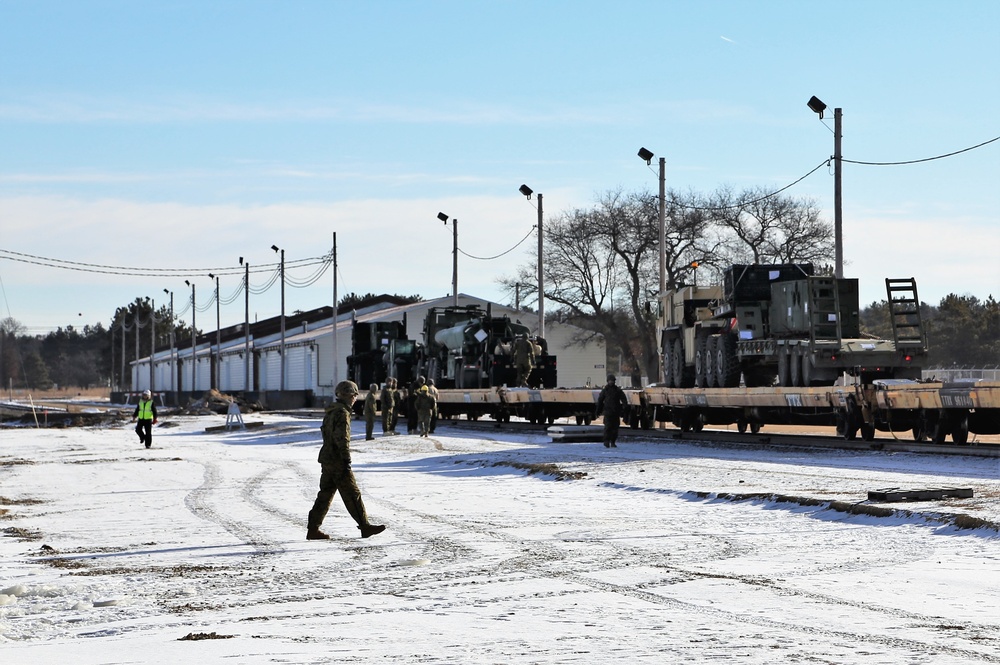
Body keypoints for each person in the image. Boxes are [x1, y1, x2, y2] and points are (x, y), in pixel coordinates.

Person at [306, 380, 386, 540]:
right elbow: (342, 438)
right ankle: (365, 526)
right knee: (352, 493)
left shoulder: (331, 411)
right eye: (354, 395)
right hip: (337, 461)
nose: (355, 398)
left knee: (325, 494)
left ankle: (313, 529)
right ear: (349, 396)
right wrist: (346, 459)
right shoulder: (342, 413)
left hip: (327, 458)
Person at [595, 374, 629, 448]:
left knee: (615, 428)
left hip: (616, 412)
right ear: (607, 381)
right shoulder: (605, 390)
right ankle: (606, 441)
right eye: (610, 381)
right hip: (608, 412)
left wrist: (625, 407)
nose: (611, 382)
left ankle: (613, 442)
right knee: (608, 427)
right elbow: (600, 401)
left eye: (612, 381)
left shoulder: (618, 390)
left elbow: (624, 399)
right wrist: (598, 411)